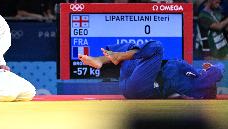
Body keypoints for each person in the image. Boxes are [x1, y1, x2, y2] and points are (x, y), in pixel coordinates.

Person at [78, 40, 224, 99]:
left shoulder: (197, 85)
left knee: (156, 47)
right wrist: (209, 68)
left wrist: (214, 68)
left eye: (207, 73)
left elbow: (219, 70)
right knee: (132, 47)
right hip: (134, 76)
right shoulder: (192, 74)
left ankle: (117, 56)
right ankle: (101, 60)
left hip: (142, 87)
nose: (205, 69)